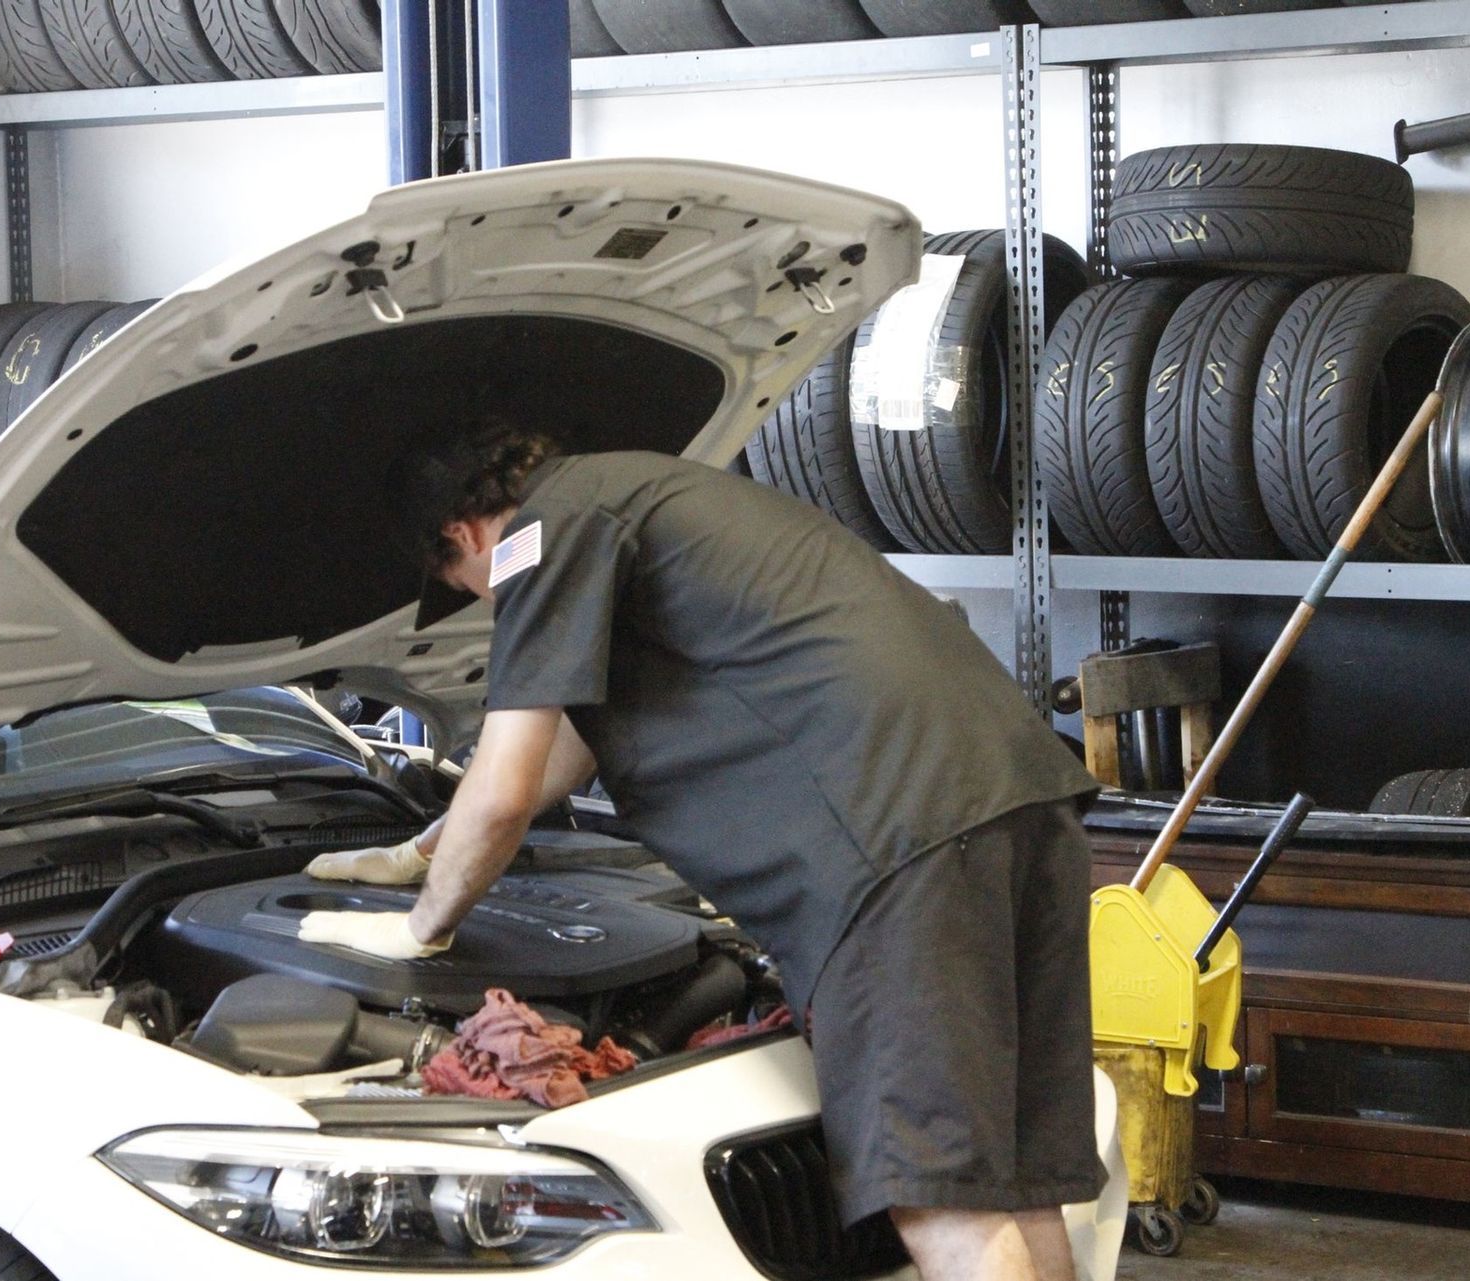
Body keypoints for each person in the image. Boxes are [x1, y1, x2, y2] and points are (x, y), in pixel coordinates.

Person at [296, 425, 1102, 1281]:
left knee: (942, 1199)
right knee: (1012, 1190)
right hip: (1020, 806)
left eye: (466, 589)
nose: (485, 605)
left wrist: (421, 927)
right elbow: (553, 757)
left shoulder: (544, 531)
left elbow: (500, 795)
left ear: (462, 537)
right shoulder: (636, 491)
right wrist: (427, 846)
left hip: (899, 847)